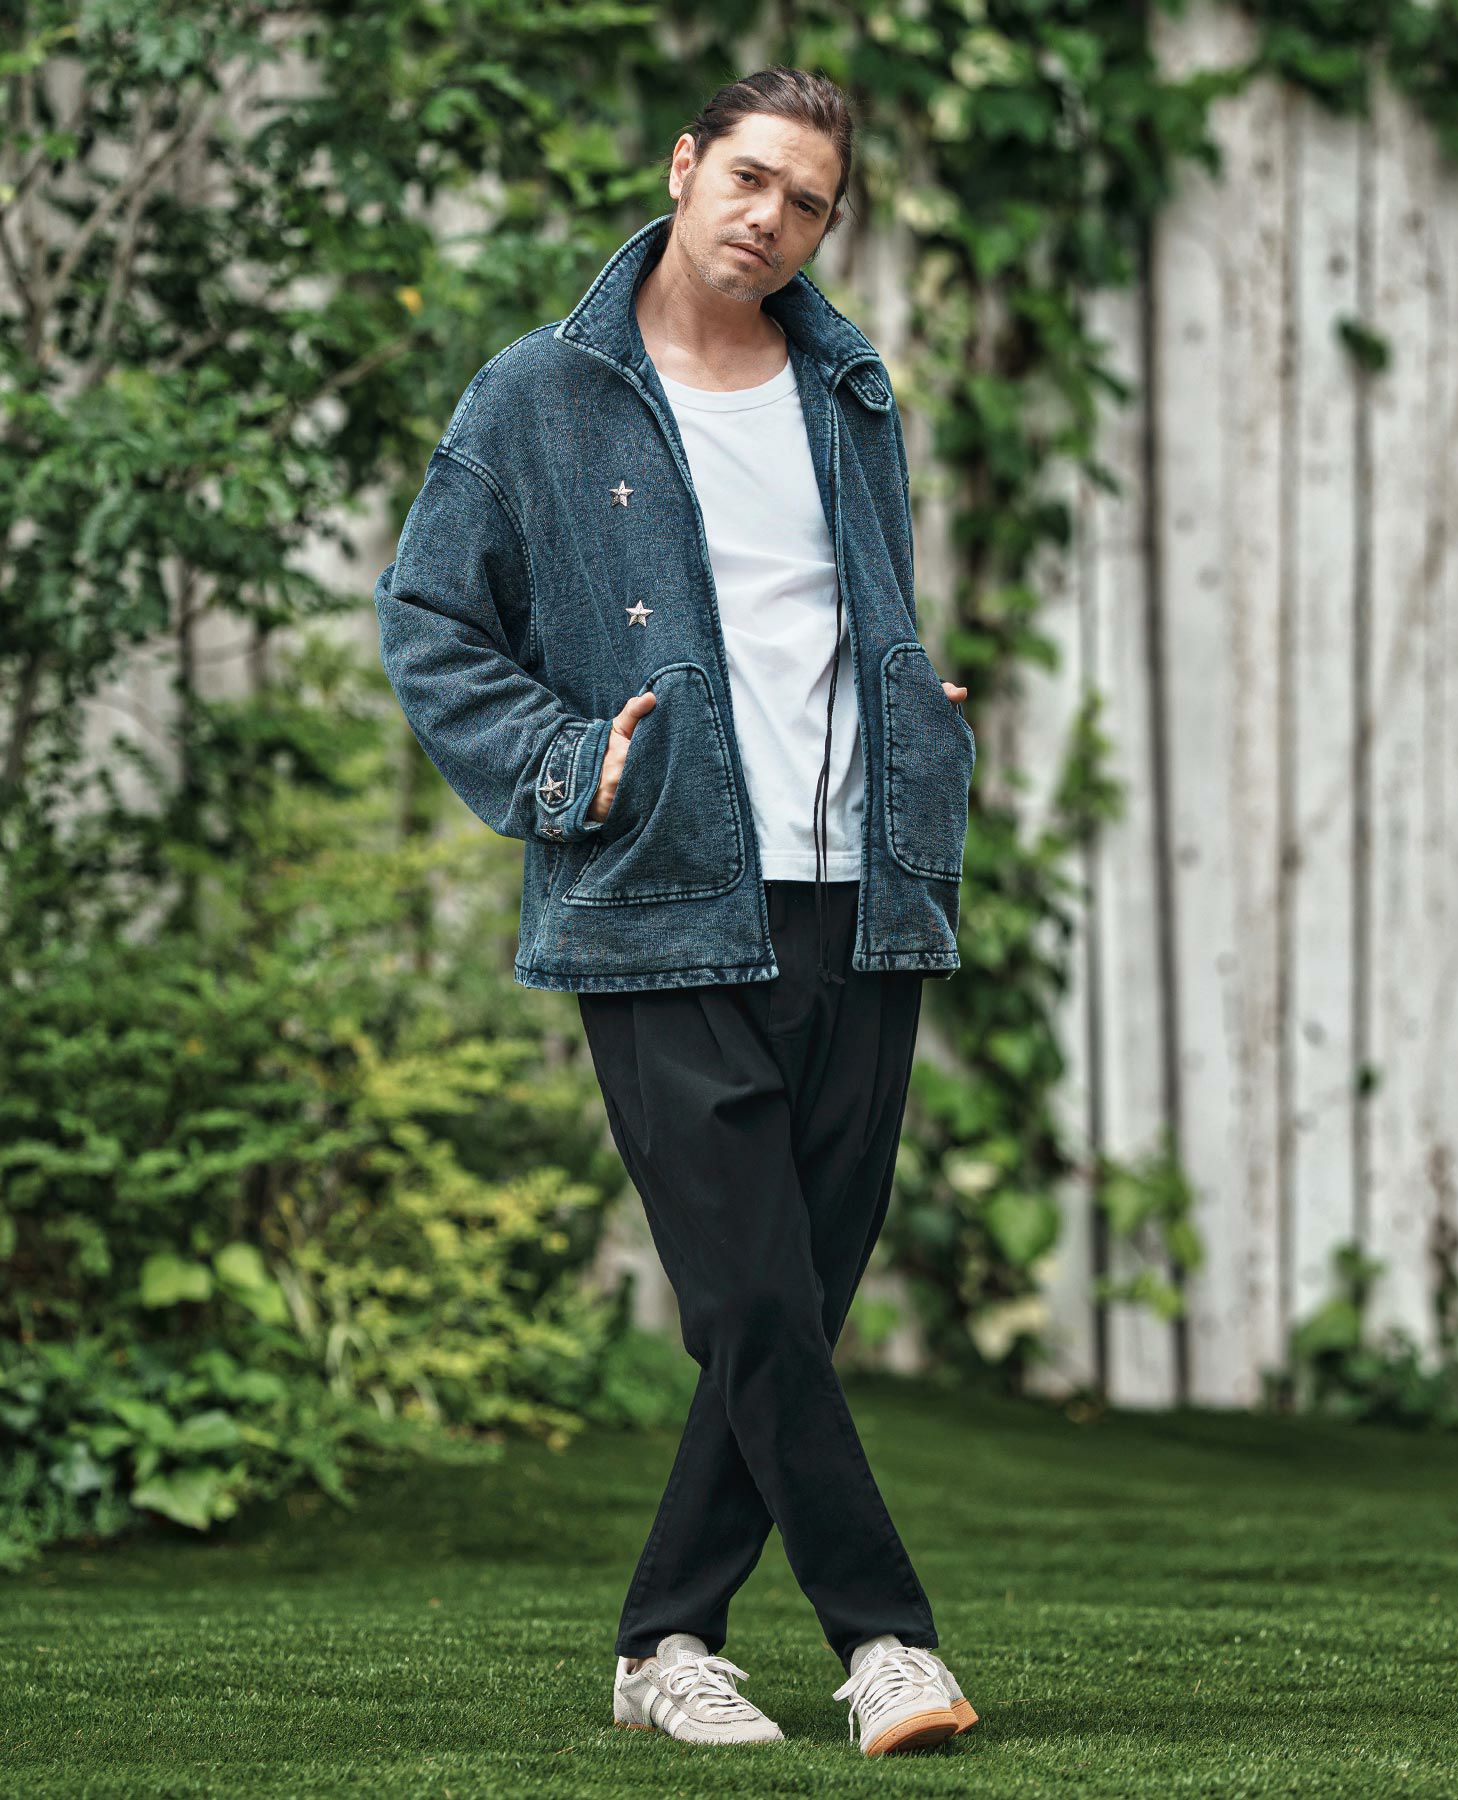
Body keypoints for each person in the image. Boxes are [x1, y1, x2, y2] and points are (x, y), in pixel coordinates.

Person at [374, 65, 978, 1757]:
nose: (771, 218)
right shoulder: (539, 394)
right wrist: (573, 767)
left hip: (862, 887)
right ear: (685, 165)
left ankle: (665, 1643)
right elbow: (429, 621)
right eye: (751, 178)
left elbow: (855, 615)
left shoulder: (849, 387)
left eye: (808, 202)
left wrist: (922, 718)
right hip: (658, 891)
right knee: (755, 1296)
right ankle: (886, 1640)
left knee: (789, 1300)